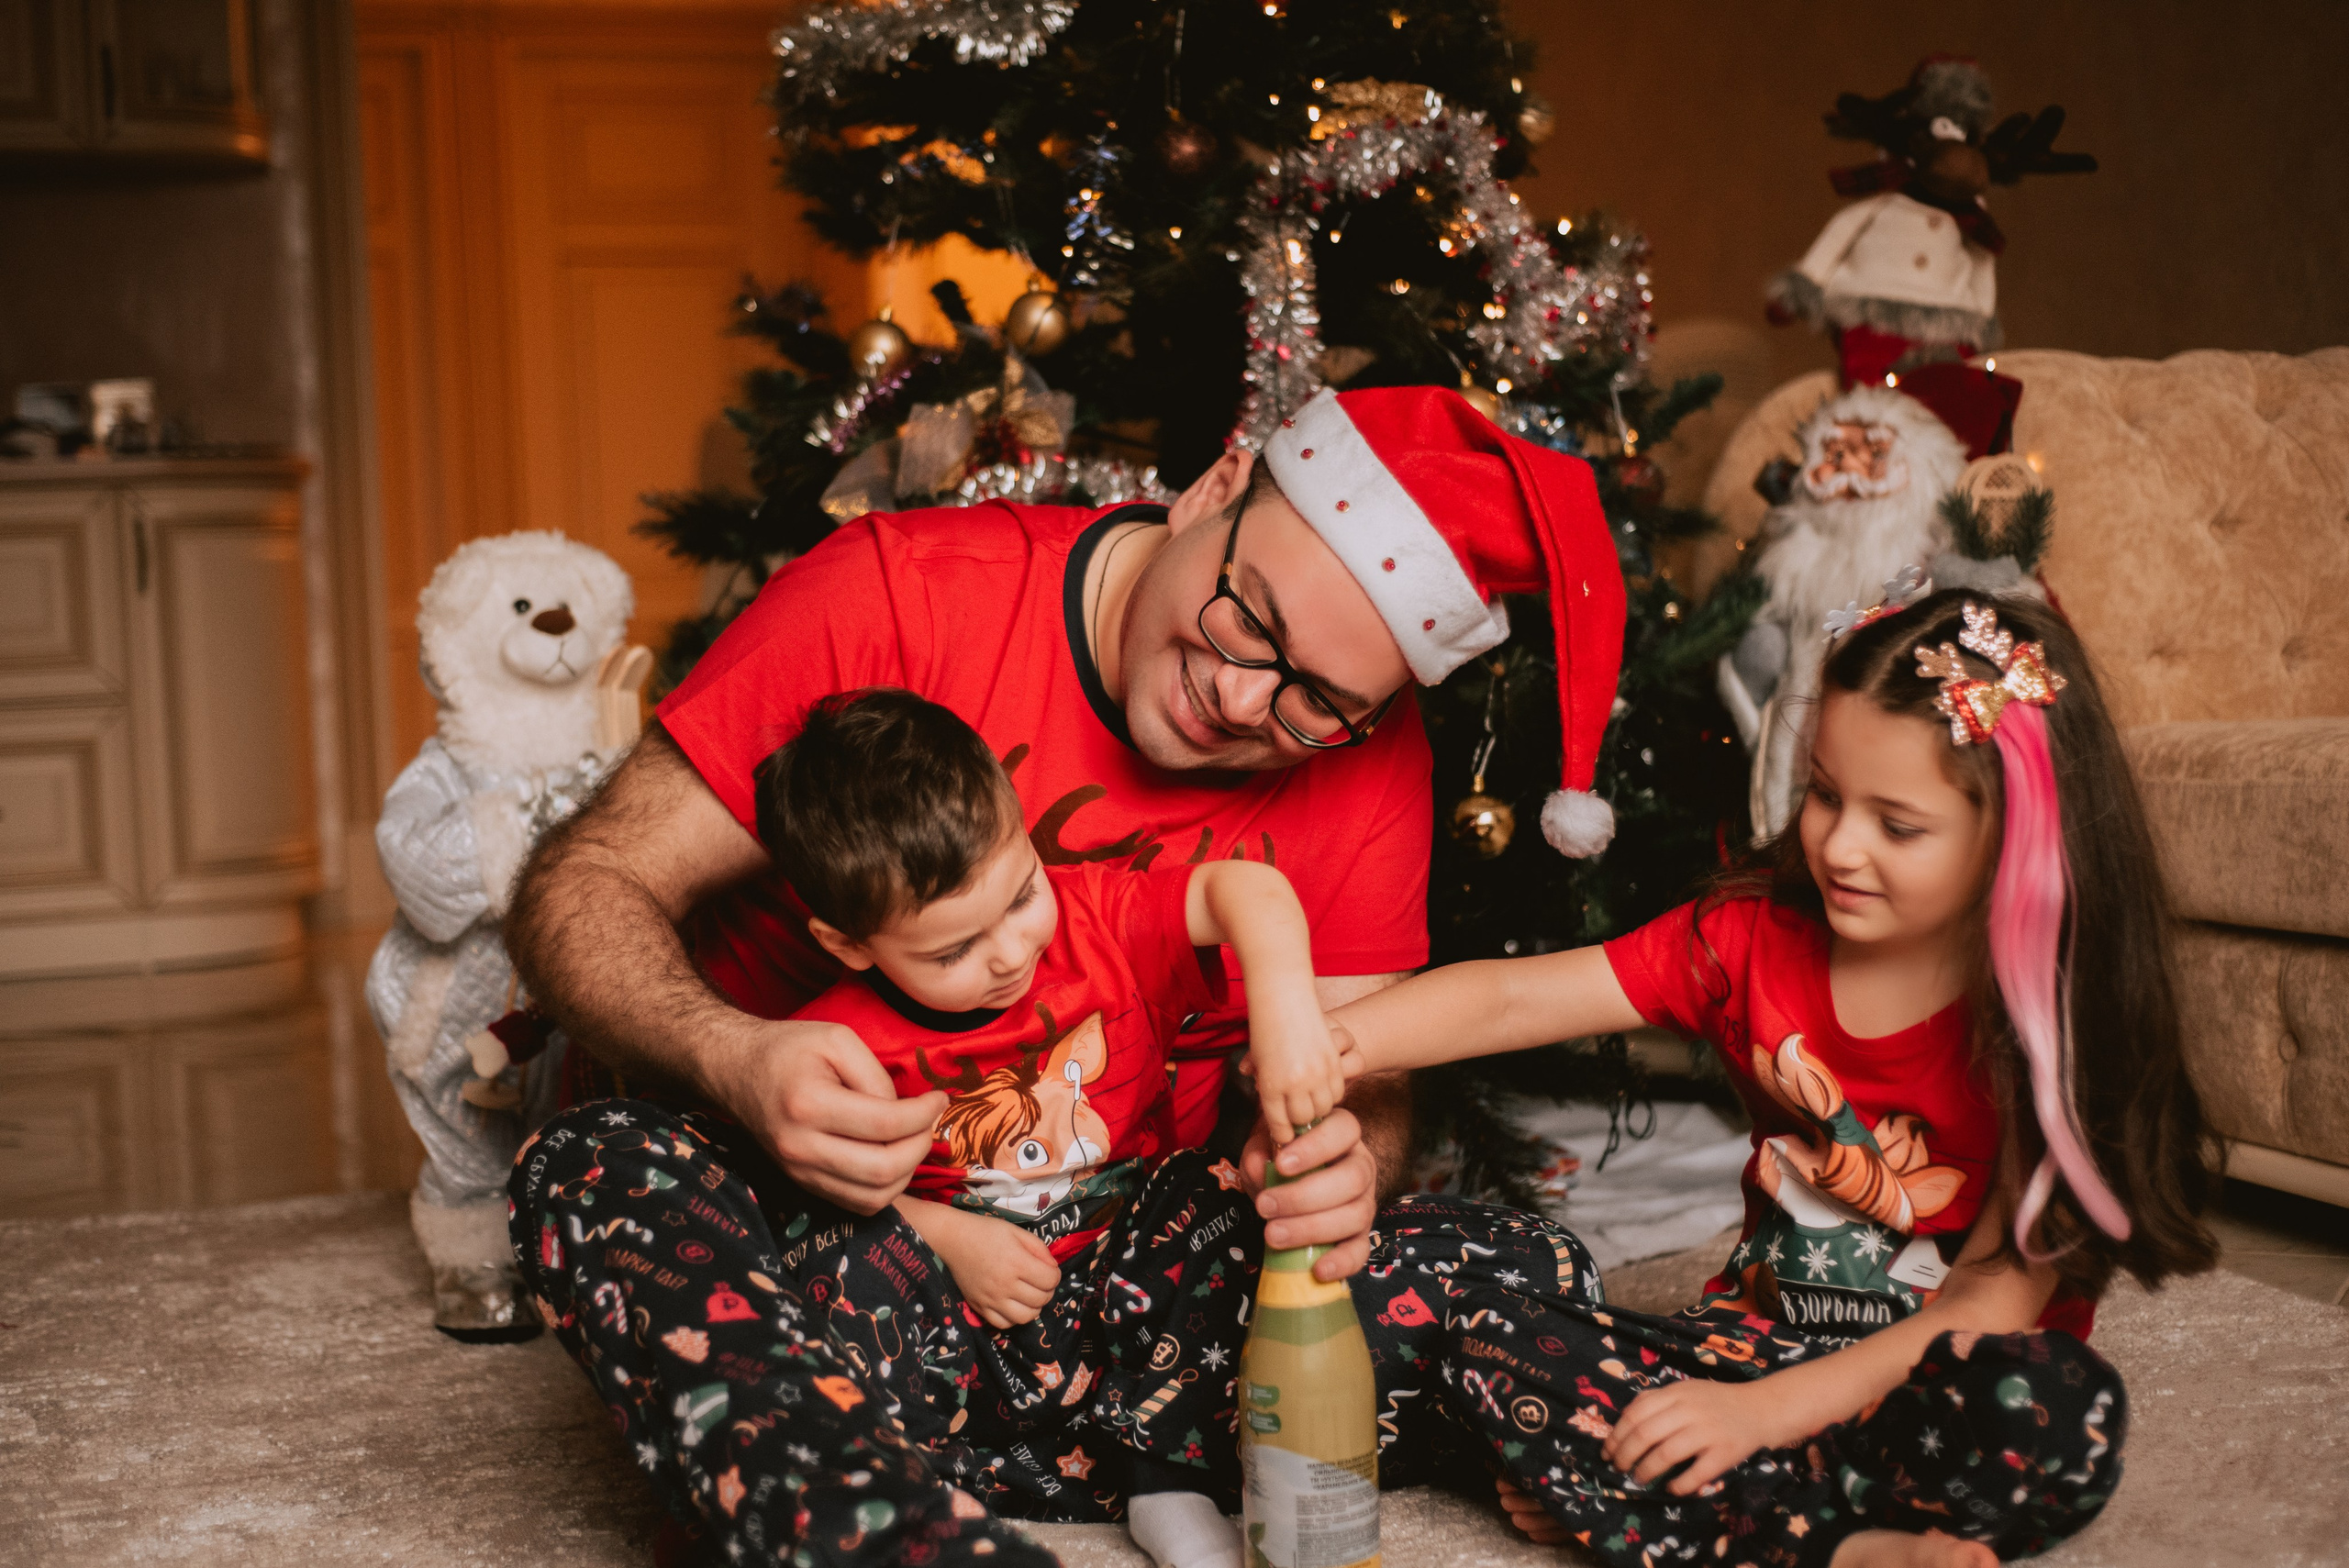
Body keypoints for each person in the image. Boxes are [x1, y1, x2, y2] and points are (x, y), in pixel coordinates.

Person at [506, 384, 1630, 1565]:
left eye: (1317, 704)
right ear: (1217, 485)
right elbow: (583, 886)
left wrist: (1337, 1165)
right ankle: (873, 1526)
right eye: (1251, 622)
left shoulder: (1368, 756)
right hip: (857, 1278)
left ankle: (1695, 1466)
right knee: (598, 1174)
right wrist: (731, 1057)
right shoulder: (892, 593)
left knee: (1492, 1260)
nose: (1244, 700)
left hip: (1142, 1309)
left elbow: (1361, 1068)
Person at [1328, 589, 2217, 1568]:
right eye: (1825, 793)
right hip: (1739, 1350)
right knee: (1442, 1301)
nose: (1839, 845)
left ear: (2015, 835)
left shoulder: (2048, 1015)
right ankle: (1747, 1517)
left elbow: (1985, 1299)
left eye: (1898, 824)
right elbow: (1510, 1001)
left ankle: (1669, 1503)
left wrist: (1758, 1418)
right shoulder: (1744, 939)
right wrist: (1333, 1042)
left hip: (1922, 1393)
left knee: (2058, 1414)